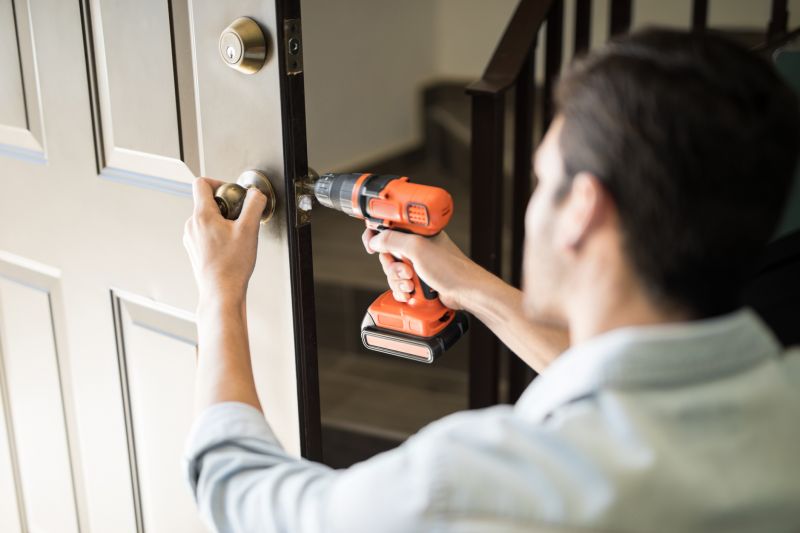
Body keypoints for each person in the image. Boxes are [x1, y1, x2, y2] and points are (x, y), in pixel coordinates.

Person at [181, 28, 800, 533]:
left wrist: (220, 291)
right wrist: (462, 283)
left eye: (541, 179)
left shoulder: (474, 485)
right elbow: (623, 378)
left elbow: (243, 494)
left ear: (584, 209)